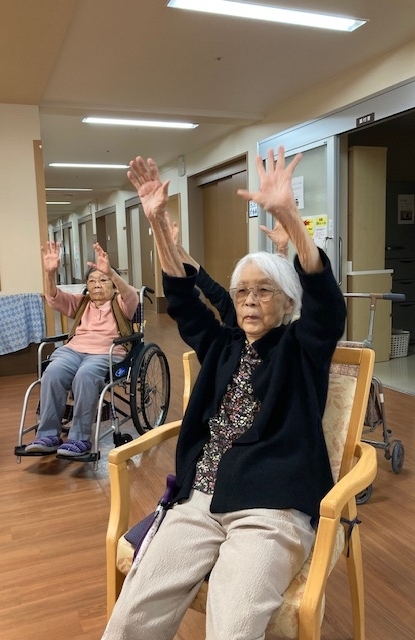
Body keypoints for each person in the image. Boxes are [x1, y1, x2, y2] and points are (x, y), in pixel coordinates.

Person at [102, 147, 347, 639]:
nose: (250, 301)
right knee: (131, 617)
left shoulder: (302, 348)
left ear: (287, 302)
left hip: (272, 509)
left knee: (232, 628)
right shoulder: (222, 345)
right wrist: (157, 225)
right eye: (242, 292)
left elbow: (327, 305)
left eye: (264, 291)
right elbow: (183, 300)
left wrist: (291, 219)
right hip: (198, 500)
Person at [25, 241, 139, 457]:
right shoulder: (81, 303)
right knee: (53, 372)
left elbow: (132, 295)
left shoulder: (122, 303)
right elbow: (53, 298)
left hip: (105, 353)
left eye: (103, 280)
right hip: (73, 351)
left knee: (85, 376)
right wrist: (50, 273)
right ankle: (48, 435)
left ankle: (79, 438)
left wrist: (112, 273)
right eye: (92, 281)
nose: (97, 285)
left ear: (113, 285)